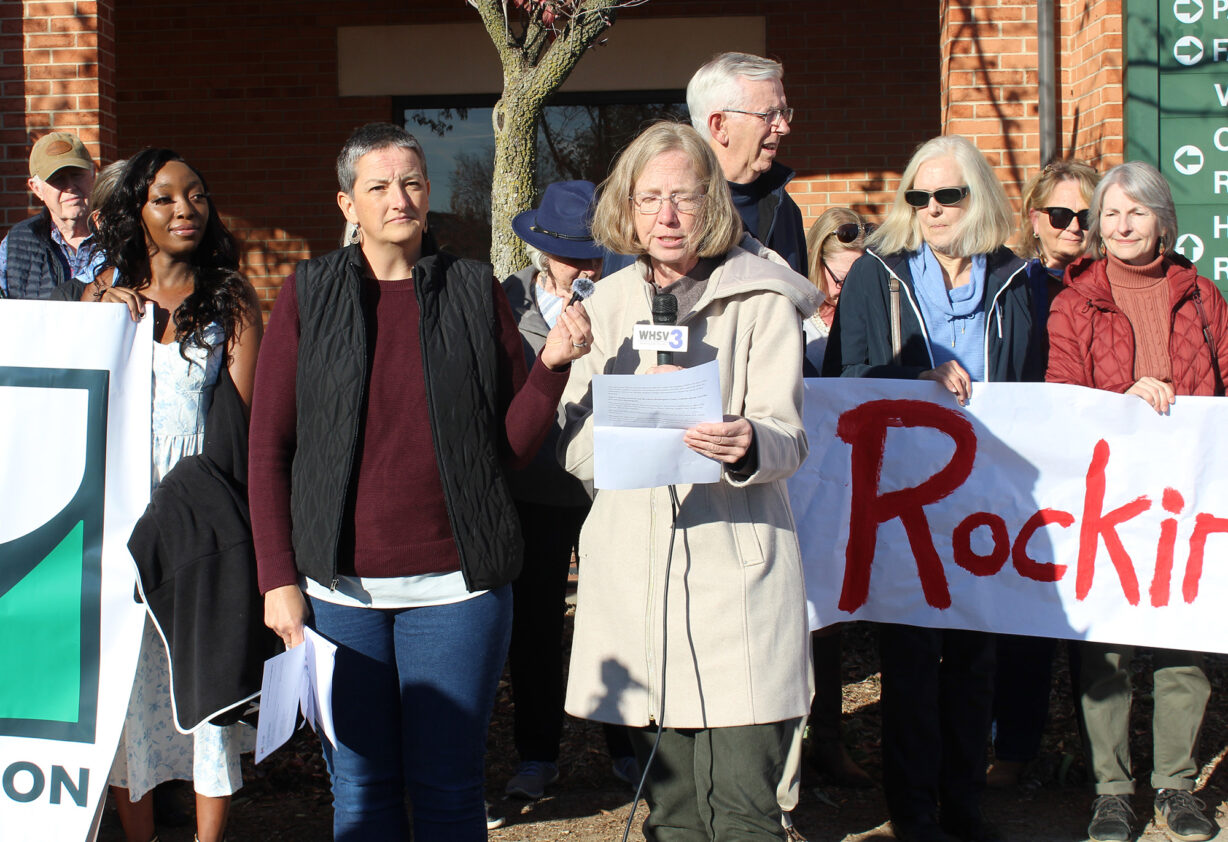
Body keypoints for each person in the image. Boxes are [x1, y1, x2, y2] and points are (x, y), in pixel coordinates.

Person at [248, 122, 592, 841]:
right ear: (347, 204)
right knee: (362, 792)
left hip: (458, 596)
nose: (399, 198)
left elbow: (510, 449)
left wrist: (553, 366)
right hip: (340, 597)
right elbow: (268, 447)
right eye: (378, 186)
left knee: (449, 790)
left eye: (411, 182)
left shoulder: (471, 290)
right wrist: (278, 578)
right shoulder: (308, 294)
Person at [558, 121, 820, 840]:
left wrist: (744, 442)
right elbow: (574, 445)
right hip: (638, 583)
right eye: (650, 199)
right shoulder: (604, 311)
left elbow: (788, 438)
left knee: (743, 809)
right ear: (627, 209)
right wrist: (624, 419)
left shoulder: (762, 300)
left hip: (739, 581)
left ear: (713, 205)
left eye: (684, 197)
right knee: (672, 813)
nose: (667, 217)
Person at [824, 134, 1043, 842]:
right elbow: (842, 381)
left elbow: (1045, 383)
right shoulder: (876, 275)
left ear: (976, 196)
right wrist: (909, 384)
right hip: (902, 498)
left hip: (988, 498)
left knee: (976, 660)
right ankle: (915, 814)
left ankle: (966, 809)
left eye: (947, 194)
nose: (932, 208)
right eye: (919, 195)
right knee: (912, 661)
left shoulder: (1018, 277)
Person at [1046, 161, 1228, 842]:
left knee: (1186, 644)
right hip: (1110, 501)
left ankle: (1176, 787)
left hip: (1188, 498)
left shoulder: (1204, 298)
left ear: (1162, 221)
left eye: (1137, 213)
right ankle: (1113, 790)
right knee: (1109, 651)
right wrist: (1117, 404)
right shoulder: (1074, 302)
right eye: (1111, 214)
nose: (1122, 226)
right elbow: (1059, 395)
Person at [91, 148, 263, 842]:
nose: (185, 209)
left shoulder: (232, 301)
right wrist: (98, 308)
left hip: (201, 523)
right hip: (121, 524)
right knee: (130, 697)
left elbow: (248, 427)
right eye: (165, 198)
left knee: (206, 691)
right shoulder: (105, 297)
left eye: (196, 195)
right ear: (137, 212)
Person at [500, 179, 639, 799]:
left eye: (596, 252)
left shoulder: (629, 302)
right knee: (533, 626)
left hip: (607, 486)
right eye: (574, 254)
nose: (586, 266)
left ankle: (629, 748)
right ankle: (536, 754)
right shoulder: (506, 307)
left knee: (617, 614)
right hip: (532, 491)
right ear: (541, 252)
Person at [987, 158, 1101, 790]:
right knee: (1026, 621)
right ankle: (1016, 750)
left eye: (1086, 216)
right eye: (1061, 215)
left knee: (1097, 629)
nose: (1074, 227)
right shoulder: (1011, 285)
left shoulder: (1113, 285)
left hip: (1095, 476)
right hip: (1027, 475)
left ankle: (1100, 759)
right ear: (1035, 218)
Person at [604, 52, 805, 276]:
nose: (783, 127)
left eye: (783, 113)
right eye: (769, 115)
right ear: (719, 125)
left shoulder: (784, 208)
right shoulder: (654, 214)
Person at [1, 131, 99, 299]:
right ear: (36, 188)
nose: (70, 187)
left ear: (93, 174)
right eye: (58, 179)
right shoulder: (17, 243)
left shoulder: (121, 236)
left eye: (76, 175)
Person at [802, 208, 873, 376]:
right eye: (841, 279)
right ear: (815, 260)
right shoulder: (796, 314)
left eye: (858, 279)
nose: (850, 289)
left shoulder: (871, 314)